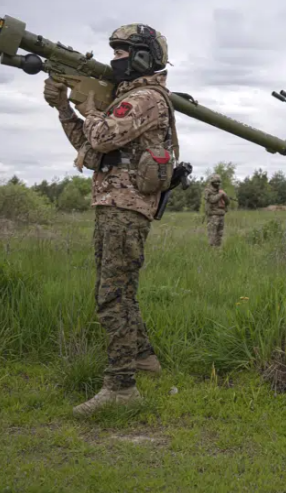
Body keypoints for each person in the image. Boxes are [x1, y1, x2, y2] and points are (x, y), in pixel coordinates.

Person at [43, 23, 178, 417]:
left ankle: (121, 388)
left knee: (112, 297)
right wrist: (63, 108)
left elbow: (100, 135)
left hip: (125, 209)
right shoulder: (126, 99)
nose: (114, 58)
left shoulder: (145, 98)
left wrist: (86, 106)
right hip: (114, 205)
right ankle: (144, 361)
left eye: (122, 51)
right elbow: (90, 148)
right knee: (122, 293)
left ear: (141, 57)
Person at [203, 174, 230, 246]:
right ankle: (212, 251)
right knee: (212, 234)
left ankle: (218, 250)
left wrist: (224, 195)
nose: (218, 184)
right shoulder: (208, 191)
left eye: (219, 182)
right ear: (212, 182)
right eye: (216, 182)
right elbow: (212, 200)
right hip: (213, 215)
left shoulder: (220, 191)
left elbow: (228, 202)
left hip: (221, 214)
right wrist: (221, 194)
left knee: (220, 234)